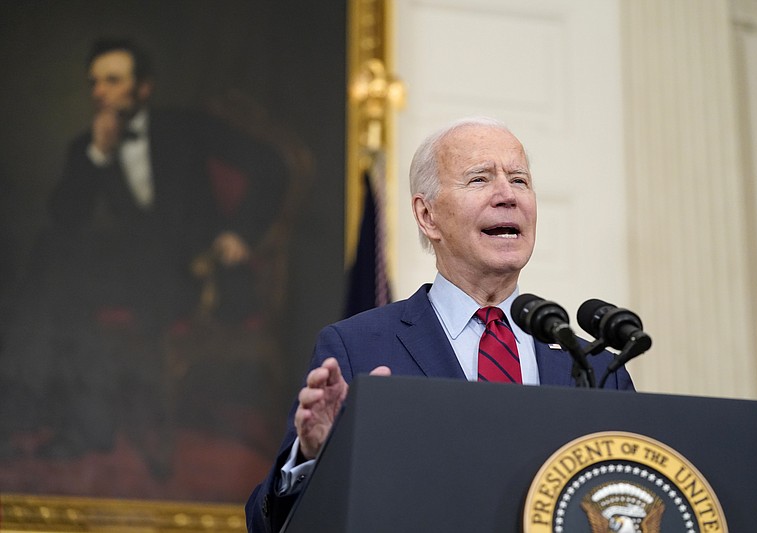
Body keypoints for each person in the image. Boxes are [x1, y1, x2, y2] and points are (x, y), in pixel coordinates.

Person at [244, 117, 635, 532]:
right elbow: (266, 525)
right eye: (480, 179)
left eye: (519, 180)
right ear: (427, 215)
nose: (507, 195)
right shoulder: (357, 348)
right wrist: (314, 458)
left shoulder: (595, 370)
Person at [0, 38, 284, 464]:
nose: (100, 92)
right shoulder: (88, 145)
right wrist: (98, 154)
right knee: (54, 260)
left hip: (197, 271)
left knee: (57, 274)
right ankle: (75, 420)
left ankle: (40, 415)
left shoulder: (185, 126)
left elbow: (269, 164)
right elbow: (65, 219)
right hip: (137, 273)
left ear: (143, 88)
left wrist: (240, 233)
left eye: (113, 81)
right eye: (94, 82)